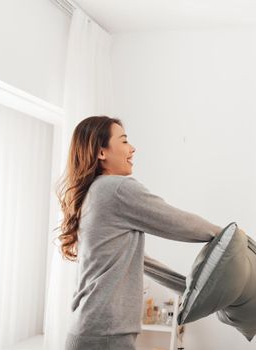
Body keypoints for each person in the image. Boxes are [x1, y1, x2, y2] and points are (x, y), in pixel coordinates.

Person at [57, 116, 221, 350]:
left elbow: (138, 261)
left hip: (91, 331)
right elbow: (175, 221)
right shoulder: (115, 188)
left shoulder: (95, 193)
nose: (132, 148)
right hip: (105, 334)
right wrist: (225, 234)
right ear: (101, 152)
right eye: (124, 141)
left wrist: (188, 288)